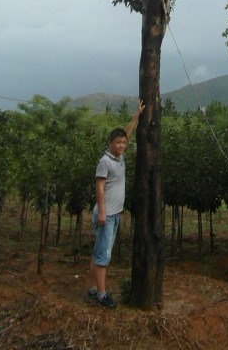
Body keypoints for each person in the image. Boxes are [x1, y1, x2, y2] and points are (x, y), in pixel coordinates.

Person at [87, 99, 145, 307]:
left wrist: (137, 115)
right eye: (117, 142)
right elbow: (99, 187)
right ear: (110, 143)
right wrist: (102, 213)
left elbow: (128, 132)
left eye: (123, 143)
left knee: (98, 251)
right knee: (104, 255)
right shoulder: (105, 161)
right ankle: (101, 295)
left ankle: (93, 289)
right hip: (106, 215)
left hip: (113, 214)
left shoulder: (119, 157)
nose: (121, 145)